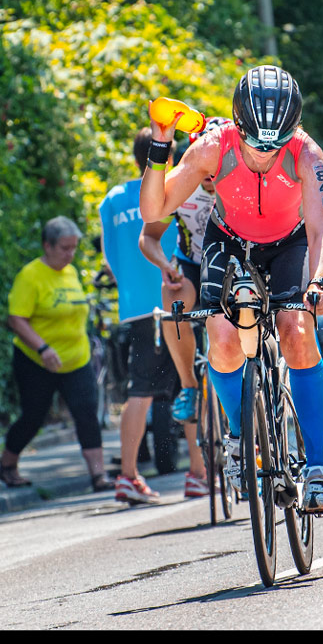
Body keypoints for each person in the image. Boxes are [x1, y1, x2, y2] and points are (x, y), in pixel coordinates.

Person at [140, 65, 323, 514]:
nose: (264, 154)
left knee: (297, 332)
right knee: (224, 341)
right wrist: (160, 144)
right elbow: (154, 209)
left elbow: (320, 229)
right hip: (228, 241)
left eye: (275, 144)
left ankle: (318, 468)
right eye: (255, 143)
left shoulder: (307, 154)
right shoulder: (213, 146)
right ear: (237, 124)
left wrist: (319, 281)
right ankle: (238, 437)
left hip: (289, 244)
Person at [139, 117, 232, 498]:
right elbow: (148, 237)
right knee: (172, 298)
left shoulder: (242, 181)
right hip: (192, 266)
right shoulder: (182, 181)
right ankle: (190, 386)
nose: (210, 175)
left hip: (233, 269)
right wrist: (166, 266)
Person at [0, 216, 114, 492]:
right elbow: (16, 319)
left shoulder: (71, 273)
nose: (70, 254)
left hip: (76, 358)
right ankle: (7, 465)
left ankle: (98, 476)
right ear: (47, 246)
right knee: (33, 416)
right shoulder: (30, 276)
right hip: (36, 360)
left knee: (87, 412)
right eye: (64, 248)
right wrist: (42, 348)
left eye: (73, 248)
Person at [98, 128, 182, 504]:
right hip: (177, 296)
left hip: (135, 306)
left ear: (135, 157)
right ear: (169, 155)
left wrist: (130, 287)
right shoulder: (175, 187)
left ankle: (129, 475)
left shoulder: (113, 199)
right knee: (198, 379)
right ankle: (206, 470)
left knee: (140, 390)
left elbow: (109, 258)